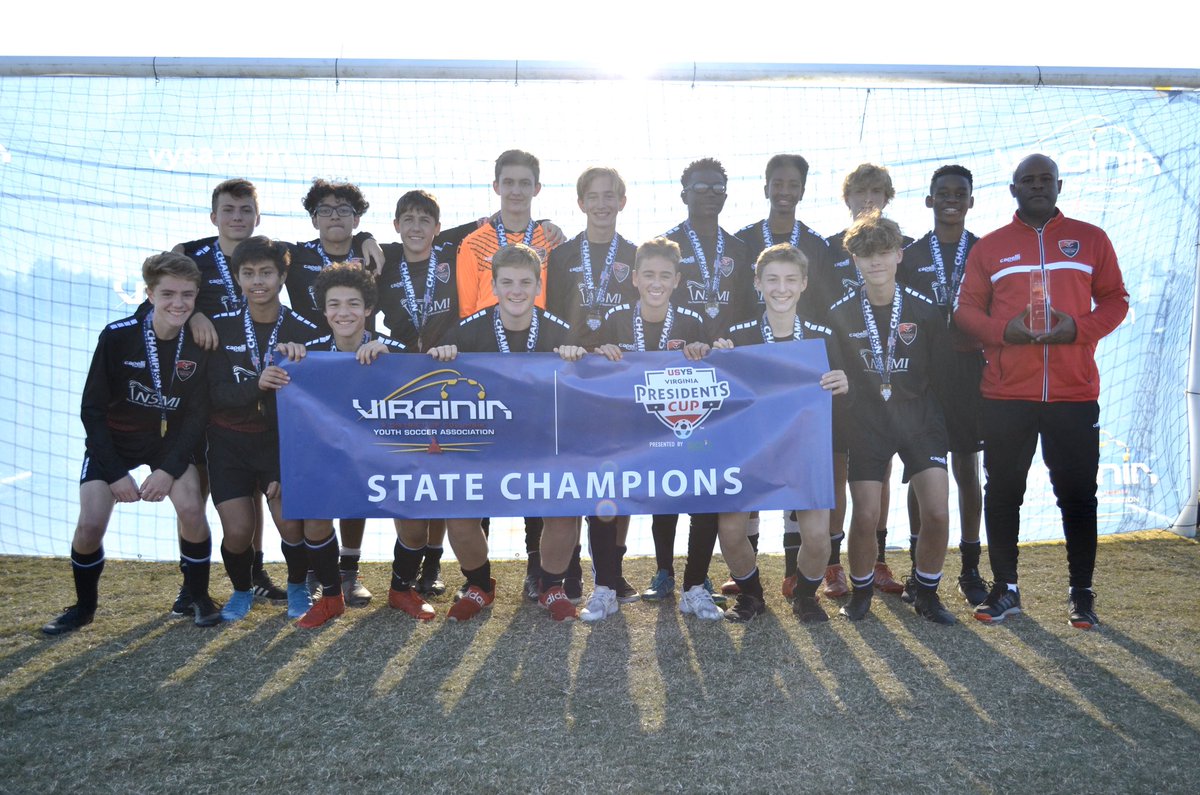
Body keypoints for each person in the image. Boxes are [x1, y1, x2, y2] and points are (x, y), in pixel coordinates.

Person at [955, 153, 1128, 629]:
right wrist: (1002, 333)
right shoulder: (990, 248)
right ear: (1013, 189)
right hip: (1007, 395)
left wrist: (1077, 328)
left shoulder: (1091, 239)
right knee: (1005, 490)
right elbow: (965, 312)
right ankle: (1005, 588)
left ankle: (1081, 593)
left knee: (1077, 494)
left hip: (1074, 394)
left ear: (1058, 185)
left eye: (1044, 179)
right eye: (1026, 180)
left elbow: (1116, 300)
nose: (1036, 185)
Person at [43, 253, 218, 634]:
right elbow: (91, 411)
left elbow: (196, 418)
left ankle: (199, 597)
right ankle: (84, 608)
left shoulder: (201, 342)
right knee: (90, 525)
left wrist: (168, 469)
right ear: (149, 294)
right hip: (116, 443)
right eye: (168, 293)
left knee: (191, 508)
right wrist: (116, 473)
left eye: (187, 295)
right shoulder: (118, 336)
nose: (178, 303)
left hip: (167, 444)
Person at [430, 244, 587, 621]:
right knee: (458, 510)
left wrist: (579, 355)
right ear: (494, 286)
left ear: (537, 286)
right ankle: (480, 585)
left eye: (525, 282)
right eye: (507, 282)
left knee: (566, 507)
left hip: (543, 444)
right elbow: (432, 377)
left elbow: (590, 380)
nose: (516, 290)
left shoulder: (561, 331)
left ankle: (552, 587)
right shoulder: (466, 332)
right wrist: (442, 353)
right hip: (484, 447)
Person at [827, 211, 957, 624]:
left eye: (884, 252)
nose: (875, 262)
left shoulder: (924, 309)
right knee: (864, 515)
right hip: (867, 421)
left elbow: (942, 373)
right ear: (854, 260)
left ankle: (927, 592)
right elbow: (834, 372)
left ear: (900, 255)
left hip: (920, 419)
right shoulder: (839, 313)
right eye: (866, 255)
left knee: (936, 512)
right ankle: (862, 591)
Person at [714, 244, 849, 622]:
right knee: (730, 530)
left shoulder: (822, 337)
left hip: (804, 449)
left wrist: (843, 382)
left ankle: (805, 596)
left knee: (819, 537)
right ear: (758, 283)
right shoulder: (737, 335)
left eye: (790, 279)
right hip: (750, 450)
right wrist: (715, 354)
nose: (781, 288)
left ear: (804, 284)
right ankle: (752, 596)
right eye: (772, 279)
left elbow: (841, 394)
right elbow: (717, 388)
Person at [644, 158, 753, 605]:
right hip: (675, 375)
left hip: (721, 379)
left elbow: (748, 310)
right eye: (701, 186)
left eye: (718, 187)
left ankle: (699, 575)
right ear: (683, 191)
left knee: (707, 479)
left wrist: (733, 346)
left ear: (726, 194)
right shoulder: (667, 245)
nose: (710, 193)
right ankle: (664, 571)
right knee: (668, 479)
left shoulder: (741, 249)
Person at [584, 237, 709, 622]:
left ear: (676, 280)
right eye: (649, 274)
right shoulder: (614, 319)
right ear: (635, 278)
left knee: (706, 493)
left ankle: (694, 588)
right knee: (605, 498)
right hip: (622, 433)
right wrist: (596, 352)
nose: (657, 282)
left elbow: (717, 367)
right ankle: (605, 587)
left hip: (676, 433)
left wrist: (705, 350)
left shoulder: (692, 321)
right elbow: (585, 367)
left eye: (665, 276)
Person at [285, 264, 411, 628]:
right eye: (334, 304)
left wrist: (393, 359)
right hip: (333, 459)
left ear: (369, 308)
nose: (344, 312)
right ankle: (331, 596)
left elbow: (427, 380)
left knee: (416, 524)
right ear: (323, 311)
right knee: (314, 517)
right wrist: (281, 363)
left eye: (353, 304)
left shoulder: (393, 349)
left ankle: (401, 590)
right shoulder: (305, 355)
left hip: (386, 456)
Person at [206, 237, 321, 622]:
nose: (258, 281)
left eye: (267, 273)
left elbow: (320, 394)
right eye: (249, 273)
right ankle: (241, 591)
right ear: (238, 278)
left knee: (291, 523)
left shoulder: (304, 329)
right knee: (238, 531)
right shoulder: (220, 328)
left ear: (282, 276)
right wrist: (256, 383)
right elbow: (213, 393)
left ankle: (296, 588)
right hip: (229, 443)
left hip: (280, 444)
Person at [284, 178, 384, 604]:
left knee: (358, 466)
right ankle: (312, 571)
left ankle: (349, 567)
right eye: (325, 209)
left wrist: (368, 237)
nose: (335, 216)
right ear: (312, 218)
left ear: (357, 217)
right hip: (312, 364)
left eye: (344, 210)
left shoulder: (373, 253)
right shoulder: (294, 254)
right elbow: (239, 258)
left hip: (361, 359)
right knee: (316, 466)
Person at [820, 163, 913, 600]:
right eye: (860, 191)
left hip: (884, 381)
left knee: (883, 472)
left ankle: (876, 561)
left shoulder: (898, 245)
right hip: (838, 377)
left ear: (888, 197)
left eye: (877, 191)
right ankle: (833, 565)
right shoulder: (825, 249)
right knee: (838, 469)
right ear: (847, 199)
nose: (868, 198)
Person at [896, 165, 989, 606]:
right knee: (921, 471)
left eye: (960, 193)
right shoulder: (910, 256)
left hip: (971, 373)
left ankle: (970, 569)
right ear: (929, 200)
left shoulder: (986, 252)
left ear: (971, 201)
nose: (951, 199)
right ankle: (919, 568)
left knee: (967, 470)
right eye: (943, 193)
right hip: (924, 379)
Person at [375, 189, 462, 596]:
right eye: (407, 219)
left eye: (424, 220)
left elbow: (489, 227)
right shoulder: (386, 261)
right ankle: (405, 563)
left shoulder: (452, 259)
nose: (415, 227)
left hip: (446, 371)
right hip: (401, 376)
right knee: (408, 470)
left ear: (437, 229)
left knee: (441, 468)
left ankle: (432, 564)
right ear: (396, 226)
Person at [456, 150, 560, 318]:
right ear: (496, 187)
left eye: (525, 183)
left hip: (539, 340)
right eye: (509, 182)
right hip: (488, 341)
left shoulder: (551, 241)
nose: (516, 191)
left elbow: (558, 306)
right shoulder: (473, 243)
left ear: (536, 188)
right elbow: (467, 313)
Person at [736, 154, 835, 322]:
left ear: (802, 192)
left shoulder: (818, 245)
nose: (784, 191)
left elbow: (824, 304)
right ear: (766, 190)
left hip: (803, 342)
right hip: (753, 343)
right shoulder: (742, 241)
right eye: (777, 184)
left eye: (793, 185)